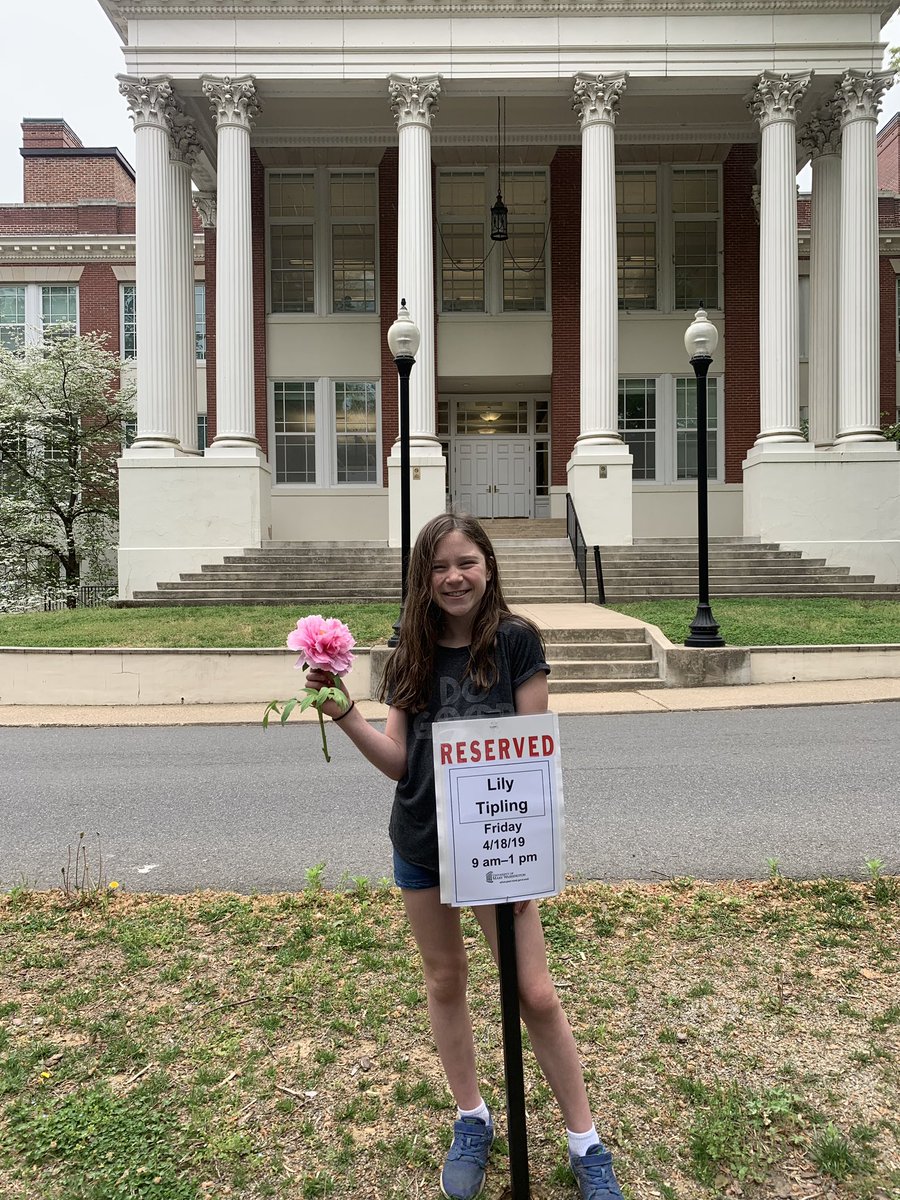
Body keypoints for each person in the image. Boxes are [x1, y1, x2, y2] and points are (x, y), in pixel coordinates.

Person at [305, 512, 623, 1200]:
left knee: (533, 992)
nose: (455, 577)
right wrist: (345, 714)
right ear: (423, 578)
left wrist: (519, 834)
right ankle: (471, 1117)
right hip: (421, 840)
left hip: (495, 845)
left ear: (488, 566)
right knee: (445, 980)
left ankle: (585, 1141)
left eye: (467, 562)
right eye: (440, 566)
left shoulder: (515, 642)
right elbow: (399, 763)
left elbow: (535, 746)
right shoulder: (409, 652)